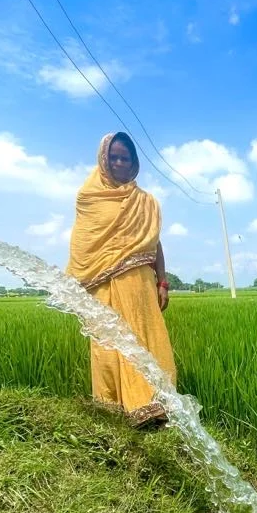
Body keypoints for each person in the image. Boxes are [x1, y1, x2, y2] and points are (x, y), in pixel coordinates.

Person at [65, 131, 177, 427]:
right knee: (108, 346)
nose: (118, 162)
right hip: (102, 288)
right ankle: (112, 411)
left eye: (124, 158)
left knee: (144, 340)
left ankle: (152, 407)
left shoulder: (145, 202)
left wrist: (162, 282)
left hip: (139, 285)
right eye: (112, 157)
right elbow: (84, 243)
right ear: (103, 159)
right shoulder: (89, 197)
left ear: (133, 163)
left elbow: (154, 243)